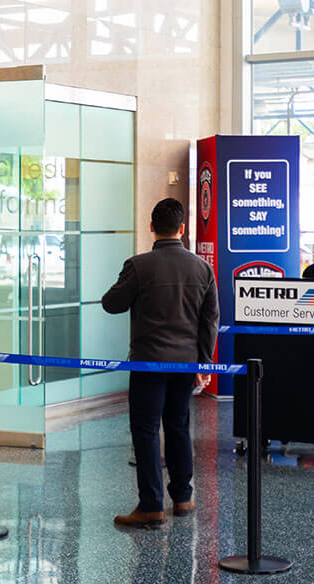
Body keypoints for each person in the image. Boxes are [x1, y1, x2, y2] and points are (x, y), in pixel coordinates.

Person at [101, 198, 219, 529]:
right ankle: (183, 497)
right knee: (179, 426)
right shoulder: (202, 268)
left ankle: (151, 505)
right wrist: (204, 363)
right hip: (184, 363)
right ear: (182, 229)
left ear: (151, 226)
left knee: (146, 429)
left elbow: (111, 304)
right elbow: (210, 320)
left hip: (148, 363)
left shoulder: (139, 265)